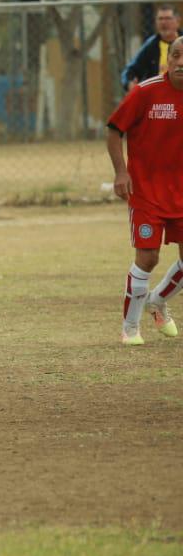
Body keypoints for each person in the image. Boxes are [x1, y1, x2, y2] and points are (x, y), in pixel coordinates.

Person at [106, 41, 183, 345]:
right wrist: (121, 172)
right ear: (167, 58)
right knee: (148, 258)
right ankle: (130, 327)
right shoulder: (145, 92)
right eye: (175, 55)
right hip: (147, 191)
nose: (180, 62)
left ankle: (157, 300)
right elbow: (114, 130)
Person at [122, 4, 178, 90]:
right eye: (160, 19)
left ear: (177, 21)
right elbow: (130, 70)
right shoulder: (151, 45)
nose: (163, 22)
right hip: (158, 95)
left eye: (168, 18)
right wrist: (129, 83)